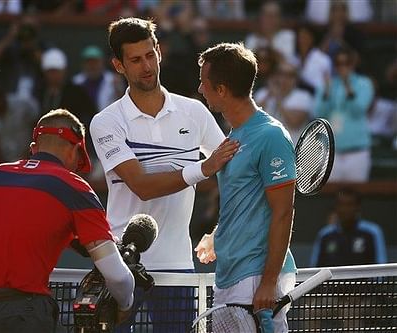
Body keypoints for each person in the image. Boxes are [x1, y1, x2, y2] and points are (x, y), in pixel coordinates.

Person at [89, 17, 238, 332]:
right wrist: (202, 168)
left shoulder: (194, 112)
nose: (146, 66)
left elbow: (235, 167)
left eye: (149, 55)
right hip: (120, 267)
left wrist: (221, 227)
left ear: (158, 51)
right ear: (118, 65)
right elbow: (141, 186)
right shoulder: (106, 122)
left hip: (177, 267)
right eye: (135, 60)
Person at [0, 109, 135, 333]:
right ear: (75, 150)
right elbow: (117, 277)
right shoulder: (74, 187)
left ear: (34, 147)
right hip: (22, 314)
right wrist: (125, 304)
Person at [195, 42, 297, 332]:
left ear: (222, 90)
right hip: (230, 275)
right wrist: (218, 235)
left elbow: (283, 212)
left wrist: (267, 282)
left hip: (255, 279)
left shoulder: (270, 135)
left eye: (204, 83)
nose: (201, 90)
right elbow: (244, 199)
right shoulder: (234, 135)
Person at [313, 46, 374, 183]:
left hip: (357, 152)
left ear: (353, 64)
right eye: (339, 64)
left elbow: (358, 110)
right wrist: (327, 91)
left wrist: (348, 85)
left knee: (357, 194)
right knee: (330, 194)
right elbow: (319, 113)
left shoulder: (364, 84)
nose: (343, 67)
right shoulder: (327, 85)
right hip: (332, 153)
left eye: (346, 63)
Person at [311, 188, 387, 267]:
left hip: (363, 279)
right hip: (332, 279)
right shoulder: (325, 235)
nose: (345, 209)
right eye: (341, 204)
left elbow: (380, 267)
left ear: (358, 207)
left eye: (350, 204)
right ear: (336, 208)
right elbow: (315, 267)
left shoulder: (372, 232)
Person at [0, 81, 39, 167]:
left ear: (4, 95)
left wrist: (30, 154)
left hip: (29, 156)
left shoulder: (23, 105)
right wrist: (1, 167)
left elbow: (36, 128)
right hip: (5, 161)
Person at [255, 61, 314, 144]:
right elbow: (252, 119)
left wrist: (278, 98)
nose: (284, 78)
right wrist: (269, 95)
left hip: (292, 148)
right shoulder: (263, 94)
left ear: (296, 79)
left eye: (290, 75)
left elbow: (294, 122)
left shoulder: (303, 97)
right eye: (281, 73)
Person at [73, 45, 125, 112]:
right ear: (83, 64)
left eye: (95, 62)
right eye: (89, 63)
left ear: (102, 62)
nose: (92, 66)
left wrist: (119, 90)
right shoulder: (76, 82)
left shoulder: (114, 80)